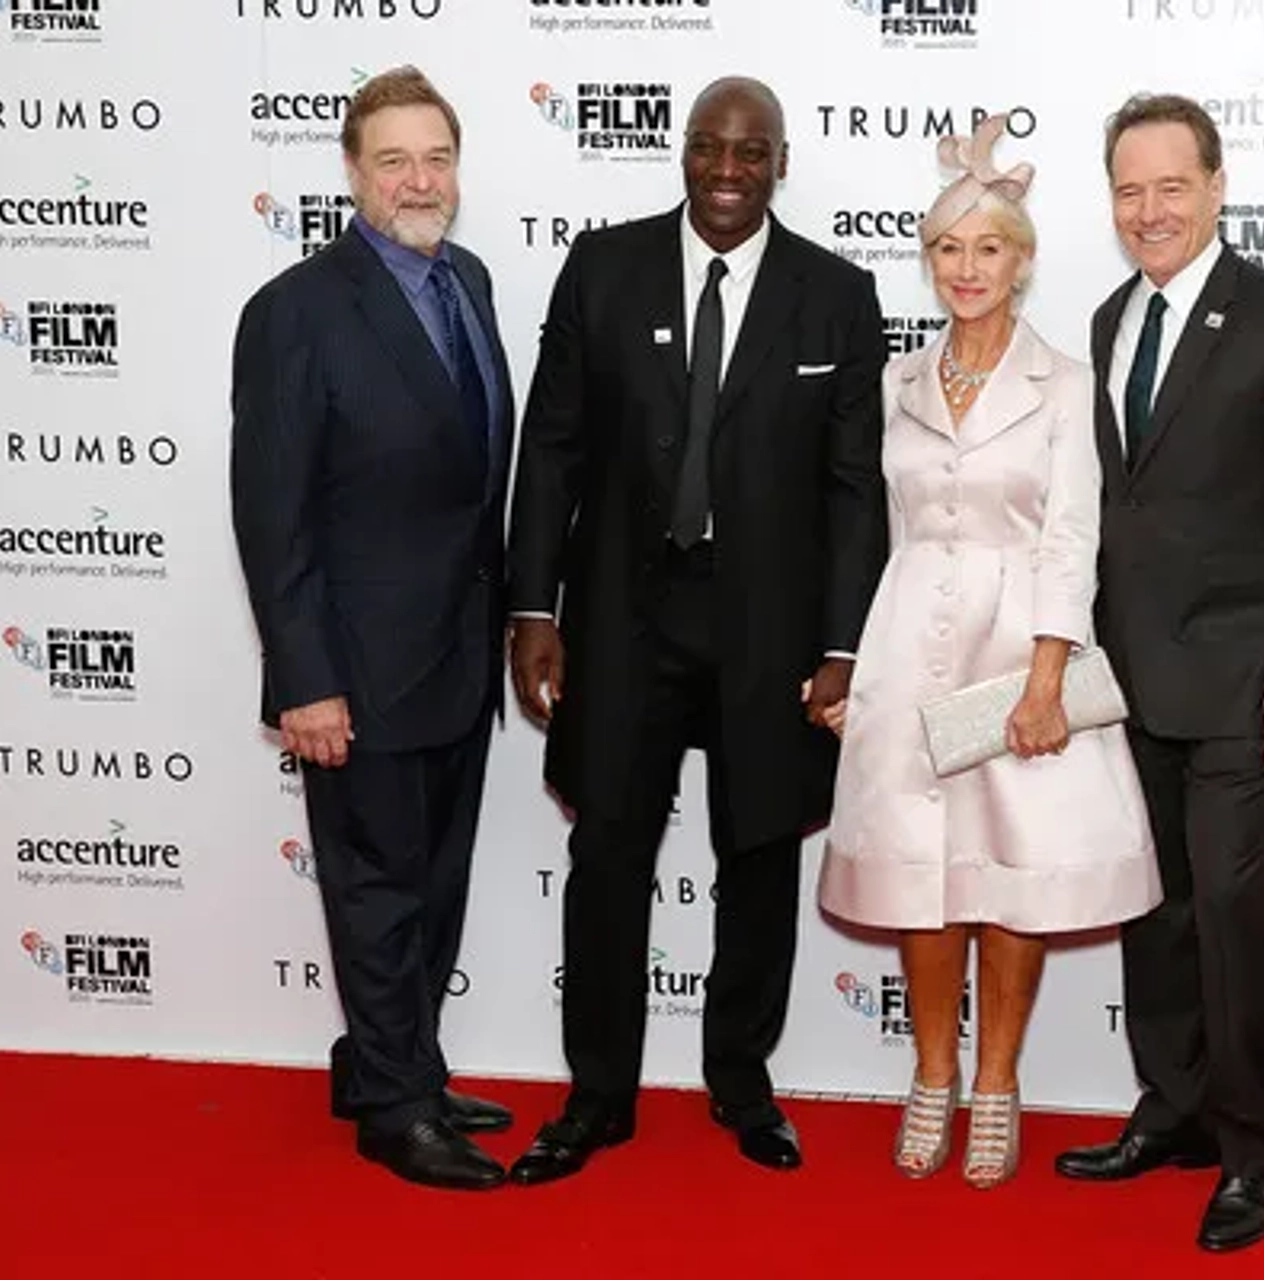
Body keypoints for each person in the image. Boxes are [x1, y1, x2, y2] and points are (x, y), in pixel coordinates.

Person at [503, 76, 888, 1185]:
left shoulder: (837, 295)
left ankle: (741, 1080)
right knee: (608, 851)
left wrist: (842, 643)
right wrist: (535, 608)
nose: (728, 170)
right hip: (625, 613)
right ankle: (597, 1095)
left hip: (769, 628)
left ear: (780, 163)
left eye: (751, 152)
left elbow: (854, 490)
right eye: (710, 148)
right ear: (683, 153)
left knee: (759, 853)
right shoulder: (603, 268)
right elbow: (554, 449)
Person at [816, 117, 1163, 1190]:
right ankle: (932, 1073)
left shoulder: (1066, 383)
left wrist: (1052, 671)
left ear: (1023, 261)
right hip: (908, 634)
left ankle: (999, 1081)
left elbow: (1072, 531)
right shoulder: (897, 383)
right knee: (925, 875)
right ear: (931, 264)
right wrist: (842, 659)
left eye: (989, 249)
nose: (967, 270)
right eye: (948, 251)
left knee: (1010, 877)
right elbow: (863, 520)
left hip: (1019, 645)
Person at [1053, 94, 1264, 1252]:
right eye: (1129, 190)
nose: (1150, 211)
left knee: (1235, 923)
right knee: (1158, 912)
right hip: (1130, 682)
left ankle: (1249, 1154)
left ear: (1219, 186)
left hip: (1243, 684)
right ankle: (1172, 1109)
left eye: (1172, 186)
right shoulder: (1102, 320)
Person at [229, 65, 516, 1191]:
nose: (418, 178)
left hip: (459, 654)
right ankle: (396, 1109)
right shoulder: (295, 311)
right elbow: (271, 513)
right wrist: (305, 679)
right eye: (392, 159)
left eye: (435, 156)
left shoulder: (473, 281)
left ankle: (395, 1062)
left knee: (433, 883)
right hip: (355, 668)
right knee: (377, 888)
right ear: (352, 173)